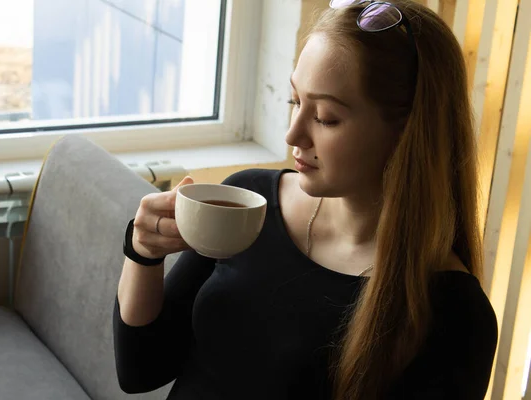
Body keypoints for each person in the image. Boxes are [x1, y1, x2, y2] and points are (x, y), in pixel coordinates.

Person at [113, 1, 498, 399]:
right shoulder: (249, 204)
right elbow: (140, 369)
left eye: (327, 117)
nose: (293, 134)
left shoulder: (454, 313)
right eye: (295, 101)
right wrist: (142, 251)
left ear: (406, 131)